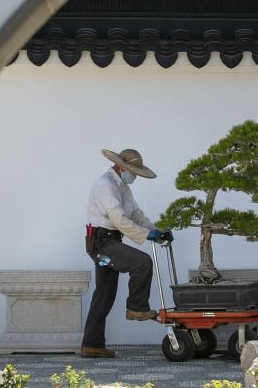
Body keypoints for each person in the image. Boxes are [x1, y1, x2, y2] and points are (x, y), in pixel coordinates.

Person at [81, 147, 173, 358]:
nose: (134, 176)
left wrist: (157, 232)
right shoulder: (106, 185)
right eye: (133, 171)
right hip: (101, 245)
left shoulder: (122, 187)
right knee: (142, 262)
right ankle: (136, 307)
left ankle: (91, 345)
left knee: (104, 294)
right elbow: (119, 220)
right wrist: (145, 235)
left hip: (109, 242)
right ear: (121, 167)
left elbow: (135, 214)